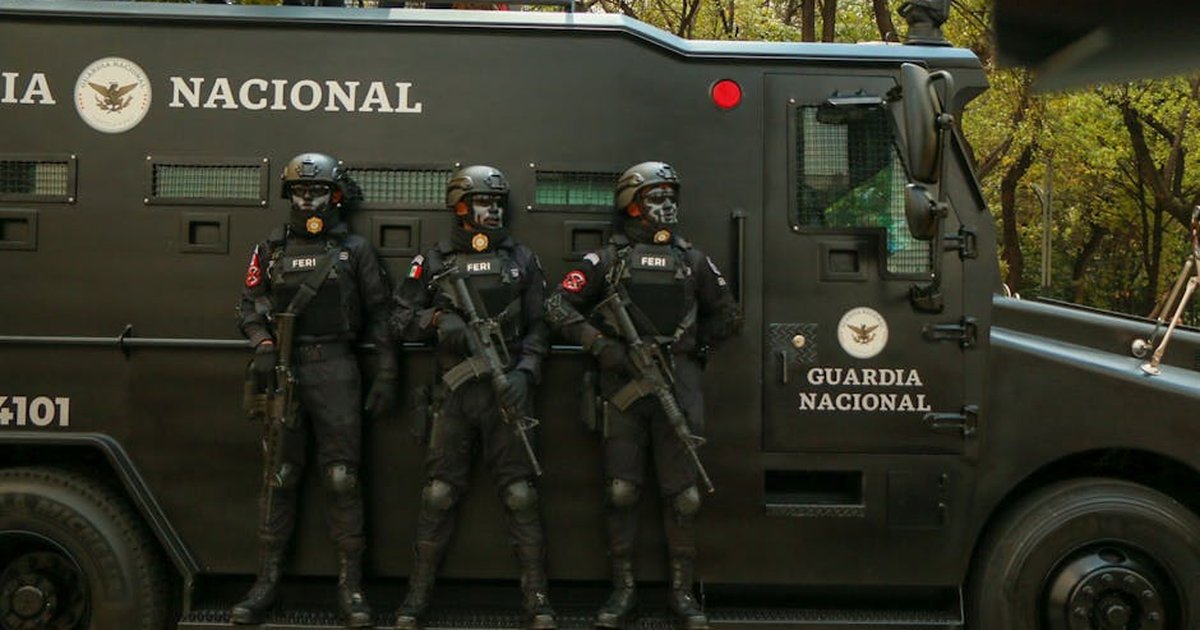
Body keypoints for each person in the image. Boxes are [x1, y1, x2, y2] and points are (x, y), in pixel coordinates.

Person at [544, 161, 741, 630]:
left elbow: (728, 316)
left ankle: (681, 594)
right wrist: (603, 347)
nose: (667, 205)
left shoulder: (693, 260)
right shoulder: (605, 260)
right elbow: (556, 305)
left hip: (678, 385)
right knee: (621, 490)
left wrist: (690, 350)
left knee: (685, 496)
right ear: (631, 204)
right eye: (656, 196)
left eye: (671, 195)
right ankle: (624, 590)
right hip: (623, 389)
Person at [231, 152, 396, 627]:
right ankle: (266, 584)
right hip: (285, 369)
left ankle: (352, 588)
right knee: (278, 477)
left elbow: (382, 314)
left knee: (343, 478)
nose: (308, 201)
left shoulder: (355, 251)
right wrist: (261, 342)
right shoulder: (270, 249)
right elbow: (248, 303)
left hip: (337, 369)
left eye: (317, 192)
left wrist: (386, 372)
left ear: (334, 195)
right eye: (301, 193)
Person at [390, 165, 556, 630]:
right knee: (439, 494)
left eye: (497, 203)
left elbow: (541, 324)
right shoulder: (435, 260)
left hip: (508, 391)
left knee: (521, 495)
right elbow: (398, 318)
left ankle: (538, 598)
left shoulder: (522, 258)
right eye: (483, 202)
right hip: (455, 393)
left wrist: (527, 370)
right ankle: (416, 597)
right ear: (460, 208)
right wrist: (437, 323)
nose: (492, 211)